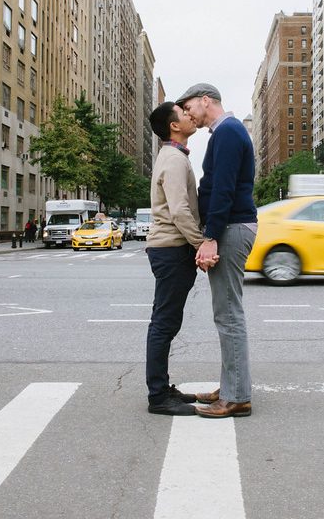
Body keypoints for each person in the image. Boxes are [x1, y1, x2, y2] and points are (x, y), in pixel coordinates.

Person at [177, 83, 258, 419]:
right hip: (233, 226)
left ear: (205, 100)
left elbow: (223, 187)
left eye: (188, 108)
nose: (188, 115)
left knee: (228, 314)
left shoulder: (227, 132)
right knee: (227, 312)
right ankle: (230, 388)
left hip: (231, 228)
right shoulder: (227, 132)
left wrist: (210, 236)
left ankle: (236, 396)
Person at [144, 101, 213, 416]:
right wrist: (201, 244)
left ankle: (162, 388)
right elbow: (179, 210)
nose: (190, 115)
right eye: (184, 113)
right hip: (171, 249)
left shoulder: (174, 156)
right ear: (174, 125)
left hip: (170, 248)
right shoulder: (173, 159)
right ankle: (158, 396)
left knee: (166, 321)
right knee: (164, 323)